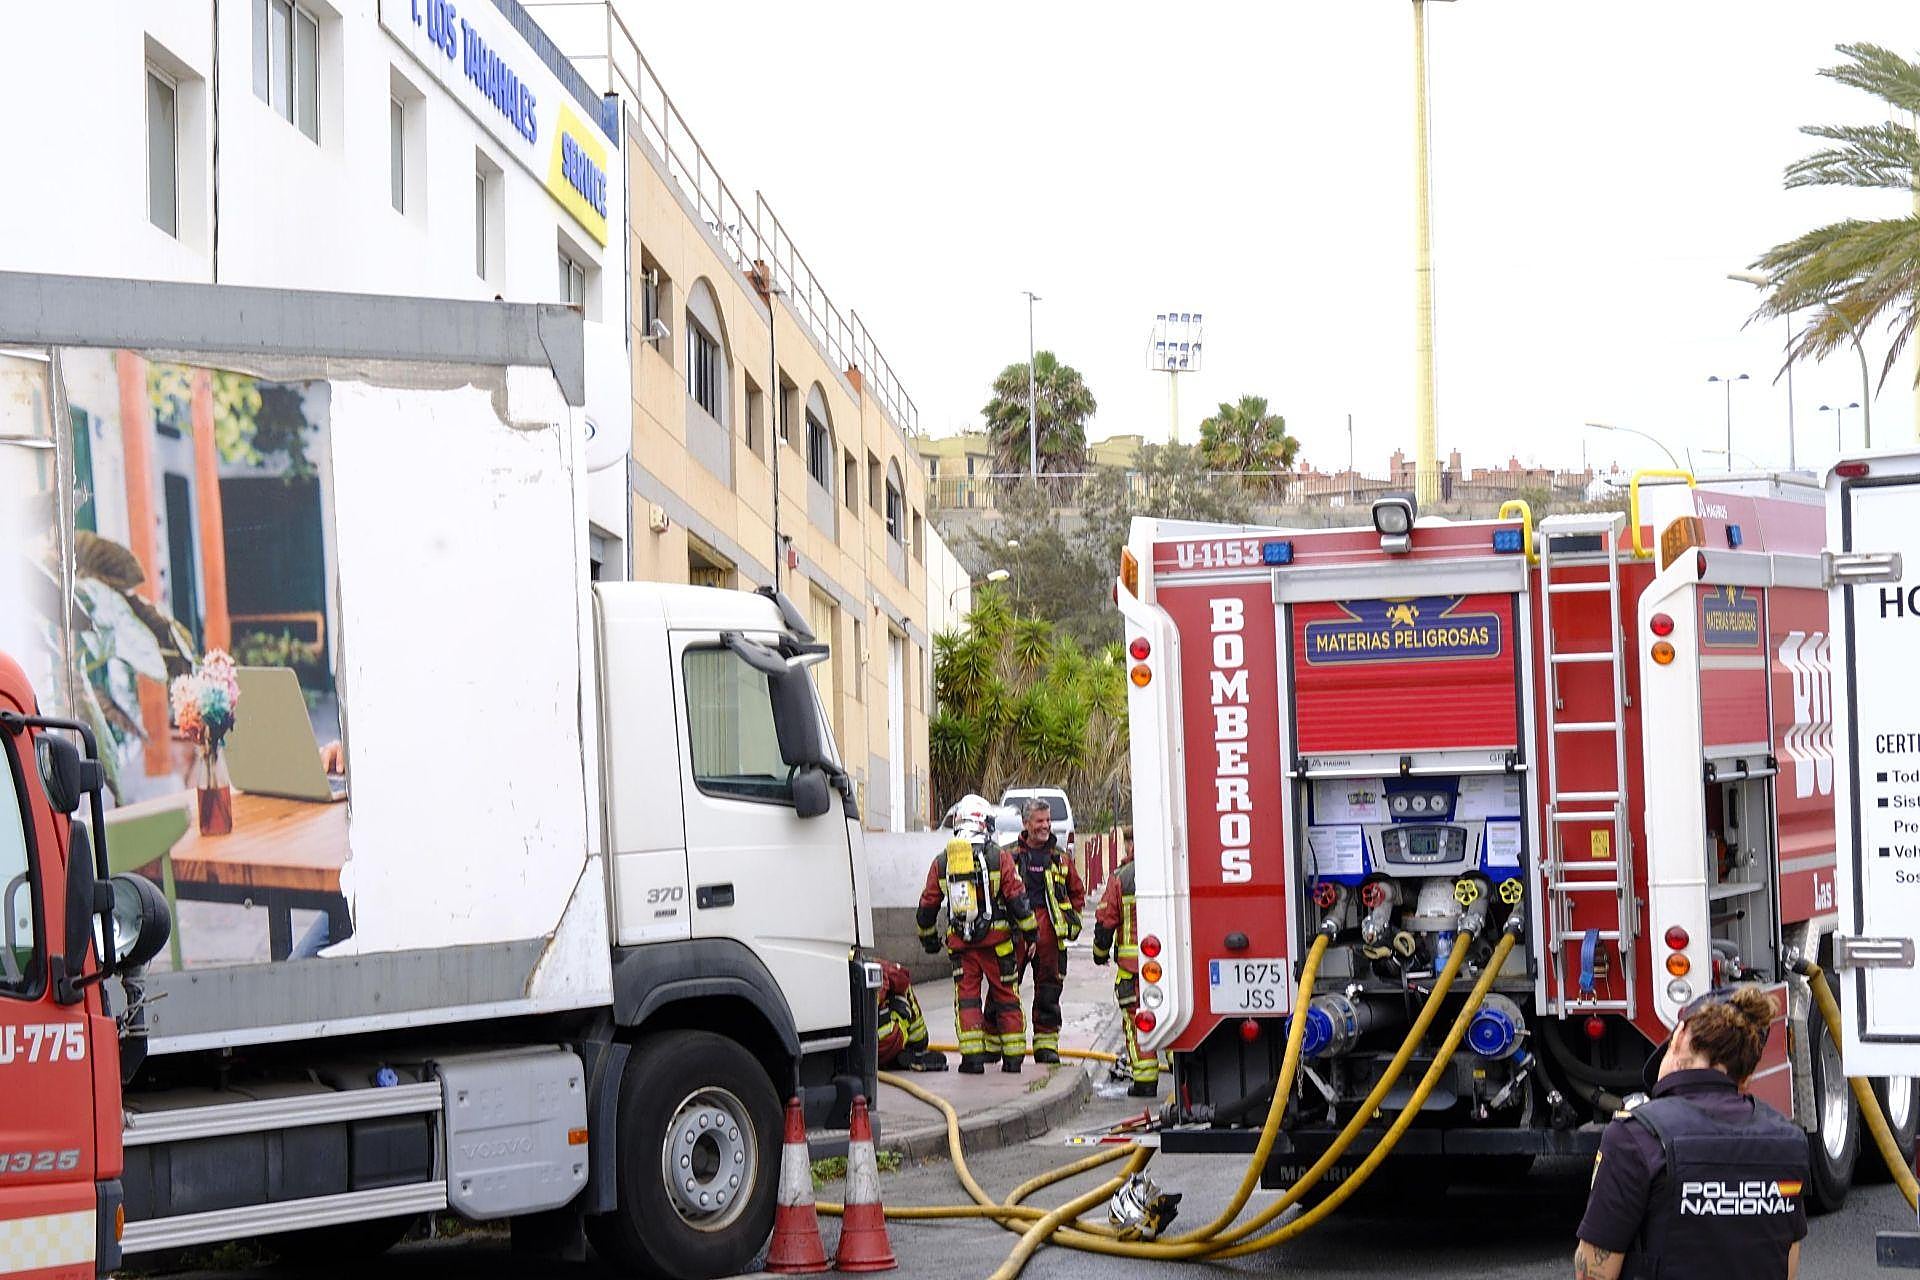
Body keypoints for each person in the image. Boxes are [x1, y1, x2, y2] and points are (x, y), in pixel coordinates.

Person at [1574, 985, 1808, 1280]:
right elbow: (1787, 1267)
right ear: (1746, 1076)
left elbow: (1595, 1273)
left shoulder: (1634, 1137)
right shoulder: (1788, 1142)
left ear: (1679, 1036)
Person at [917, 835, 1039, 1074]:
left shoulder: (943, 862)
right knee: (1006, 996)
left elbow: (928, 904)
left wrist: (929, 939)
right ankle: (1013, 1060)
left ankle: (972, 1060)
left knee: (967, 999)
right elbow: (1017, 897)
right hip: (998, 944)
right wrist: (1031, 933)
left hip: (962, 946)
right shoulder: (999, 857)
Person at [1009, 799, 1084, 1065]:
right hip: (1017, 932)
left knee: (1049, 991)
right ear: (1026, 823)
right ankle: (1001, 1045)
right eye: (1039, 821)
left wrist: (1071, 921)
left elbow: (1077, 892)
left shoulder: (1060, 857)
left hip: (1049, 932)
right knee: (1005, 989)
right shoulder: (1009, 856)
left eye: (1048, 820)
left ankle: (1046, 1046)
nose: (1045, 826)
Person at [1093, 826, 1158, 1097]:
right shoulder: (1167, 869)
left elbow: (1105, 921)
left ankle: (1145, 1081)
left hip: (1133, 970)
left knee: (1137, 1020)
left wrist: (1099, 954)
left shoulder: (1122, 877)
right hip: (1169, 968)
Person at [875, 957, 946, 1072]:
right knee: (901, 1002)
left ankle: (897, 1054)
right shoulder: (877, 970)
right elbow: (902, 979)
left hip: (854, 1049)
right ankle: (914, 1044)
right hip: (878, 1045)